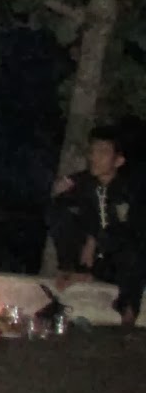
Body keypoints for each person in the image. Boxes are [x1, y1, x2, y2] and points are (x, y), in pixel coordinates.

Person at [49, 128, 144, 329]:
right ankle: (70, 270)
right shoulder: (84, 184)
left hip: (118, 260)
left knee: (131, 250)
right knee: (60, 212)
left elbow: (131, 232)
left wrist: (94, 240)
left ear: (118, 161)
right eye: (93, 151)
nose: (94, 157)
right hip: (89, 258)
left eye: (103, 152)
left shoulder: (129, 190)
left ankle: (128, 309)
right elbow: (62, 211)